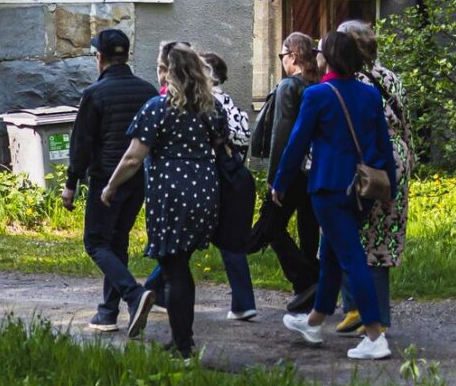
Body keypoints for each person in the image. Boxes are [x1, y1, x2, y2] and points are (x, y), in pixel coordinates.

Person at [271, 29, 398, 360]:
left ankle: (374, 335)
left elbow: (298, 142)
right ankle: (314, 321)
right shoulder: (369, 95)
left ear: (326, 57)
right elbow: (383, 144)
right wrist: (391, 188)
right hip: (362, 189)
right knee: (329, 255)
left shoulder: (318, 95)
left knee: (351, 258)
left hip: (328, 188)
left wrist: (280, 182)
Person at [97, 42, 228, 360]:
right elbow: (223, 147)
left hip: (171, 194)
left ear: (168, 72)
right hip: (205, 192)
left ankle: (184, 347)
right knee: (179, 265)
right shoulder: (210, 108)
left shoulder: (158, 108)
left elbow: (133, 157)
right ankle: (182, 337)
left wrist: (110, 187)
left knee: (174, 269)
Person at [142, 51, 261, 320]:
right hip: (234, 176)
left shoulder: (204, 103)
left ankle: (150, 292)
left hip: (213, 180)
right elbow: (241, 139)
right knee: (220, 242)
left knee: (185, 242)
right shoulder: (227, 101)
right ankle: (243, 301)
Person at [64, 27, 156, 332]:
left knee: (95, 242)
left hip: (107, 180)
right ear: (126, 55)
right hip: (138, 180)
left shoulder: (94, 94)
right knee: (117, 241)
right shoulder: (148, 91)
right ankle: (107, 313)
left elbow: (82, 143)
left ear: (99, 58)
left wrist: (71, 184)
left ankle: (133, 294)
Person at [337, 18, 414, 332]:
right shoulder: (391, 78)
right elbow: (405, 121)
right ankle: (370, 311)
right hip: (396, 158)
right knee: (382, 235)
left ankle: (364, 312)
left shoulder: (352, 82)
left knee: (347, 232)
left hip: (366, 159)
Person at [243, 34, 322, 312]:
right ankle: (310, 290)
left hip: (293, 170)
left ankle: (306, 280)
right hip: (316, 170)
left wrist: (276, 178)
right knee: (308, 230)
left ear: (293, 56)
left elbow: (282, 134)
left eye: (282, 55)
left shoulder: (290, 86)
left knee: (271, 227)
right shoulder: (317, 85)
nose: (282, 61)